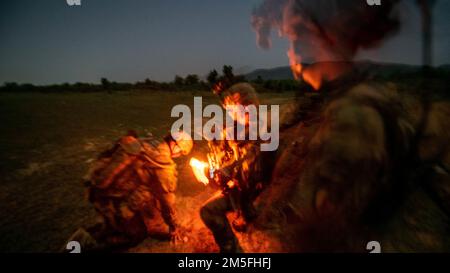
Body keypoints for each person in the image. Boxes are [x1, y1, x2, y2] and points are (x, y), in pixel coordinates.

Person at [68, 130, 193, 251]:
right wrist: (174, 226)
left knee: (114, 225)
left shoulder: (148, 141)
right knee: (134, 234)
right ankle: (84, 246)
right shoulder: (163, 164)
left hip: (98, 187)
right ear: (176, 146)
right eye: (181, 152)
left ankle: (80, 238)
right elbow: (166, 200)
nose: (178, 155)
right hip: (111, 198)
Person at [200, 83, 267, 252]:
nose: (230, 112)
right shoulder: (239, 126)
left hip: (250, 187)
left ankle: (234, 251)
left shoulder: (258, 132)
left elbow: (248, 168)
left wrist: (227, 173)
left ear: (246, 108)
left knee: (208, 211)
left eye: (232, 108)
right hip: (239, 181)